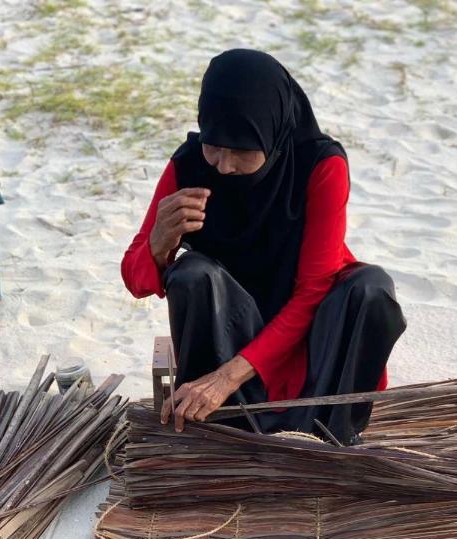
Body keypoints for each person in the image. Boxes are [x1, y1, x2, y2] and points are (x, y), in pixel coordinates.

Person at [121, 48, 407, 445]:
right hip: (229, 329)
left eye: (241, 150)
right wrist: (158, 245)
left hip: (312, 341)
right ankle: (225, 430)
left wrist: (227, 377)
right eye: (215, 145)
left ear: (271, 133)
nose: (223, 165)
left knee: (372, 288)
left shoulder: (319, 166)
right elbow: (135, 280)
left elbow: (312, 293)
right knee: (191, 273)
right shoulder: (188, 165)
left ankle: (329, 437)